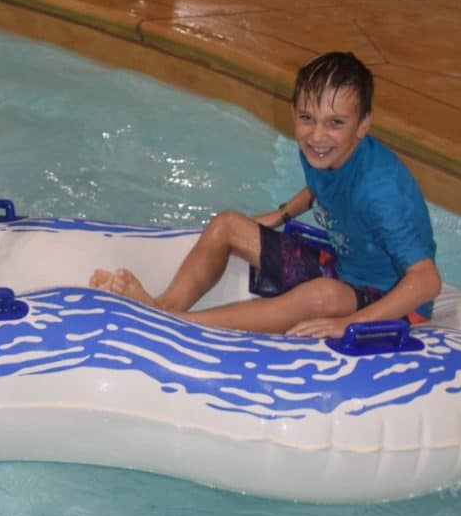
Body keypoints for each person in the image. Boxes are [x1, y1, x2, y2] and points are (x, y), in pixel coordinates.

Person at [90, 51, 441, 338]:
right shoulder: (321, 153)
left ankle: (179, 325)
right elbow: (325, 186)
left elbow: (426, 281)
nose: (317, 135)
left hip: (392, 302)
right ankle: (164, 306)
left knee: (323, 296)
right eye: (307, 118)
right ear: (294, 113)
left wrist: (349, 324)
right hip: (345, 270)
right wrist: (284, 213)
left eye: (336, 123)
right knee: (227, 224)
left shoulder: (381, 191)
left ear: (364, 124)